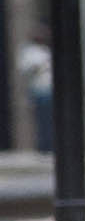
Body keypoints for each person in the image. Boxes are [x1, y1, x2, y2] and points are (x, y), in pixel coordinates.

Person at [18, 25, 52, 153]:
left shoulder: (46, 50)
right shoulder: (29, 52)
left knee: (50, 119)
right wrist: (39, 66)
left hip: (50, 90)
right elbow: (25, 69)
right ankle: (43, 147)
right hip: (39, 90)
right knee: (42, 119)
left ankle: (50, 145)